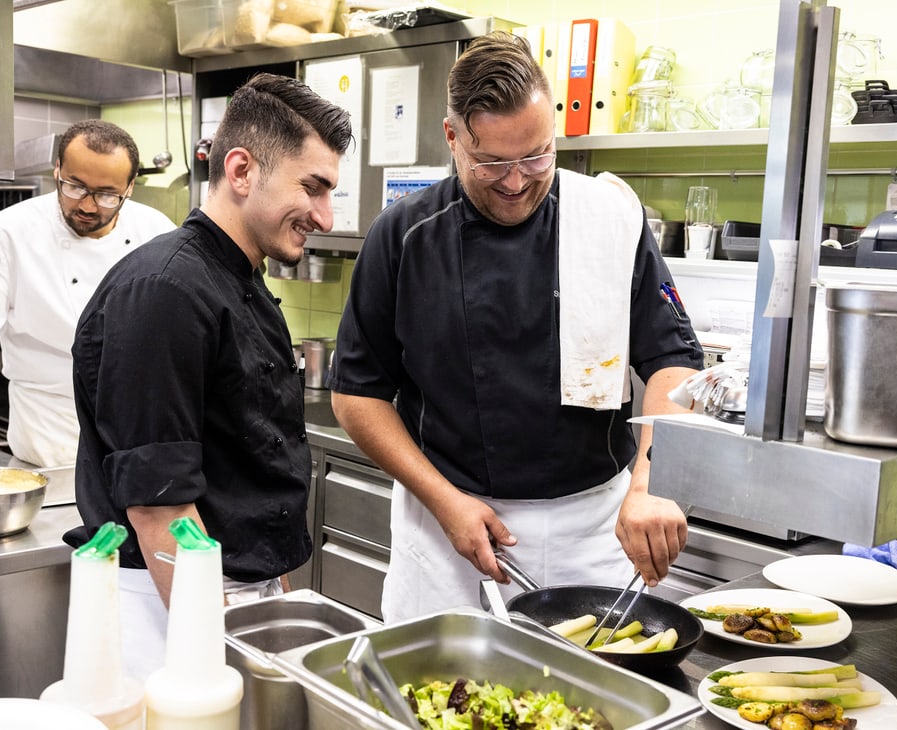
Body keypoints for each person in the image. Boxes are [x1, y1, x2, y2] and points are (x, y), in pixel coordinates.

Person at [330, 31, 704, 623]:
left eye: (537, 155)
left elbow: (673, 362)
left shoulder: (609, 218)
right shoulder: (402, 237)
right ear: (452, 138)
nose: (516, 181)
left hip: (595, 529)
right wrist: (446, 502)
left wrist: (649, 483)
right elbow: (357, 396)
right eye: (492, 162)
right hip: (449, 530)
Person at [64, 73, 352, 680]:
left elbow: (245, 463)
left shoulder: (238, 277)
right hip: (171, 607)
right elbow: (159, 507)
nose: (325, 217)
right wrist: (214, 659)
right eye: (313, 188)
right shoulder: (166, 290)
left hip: (231, 592)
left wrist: (273, 576)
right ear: (242, 171)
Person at [0, 120, 175, 468]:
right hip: (46, 441)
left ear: (130, 189)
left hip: (135, 445)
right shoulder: (10, 231)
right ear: (56, 172)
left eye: (108, 195)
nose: (89, 206)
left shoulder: (158, 233)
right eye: (74, 187)